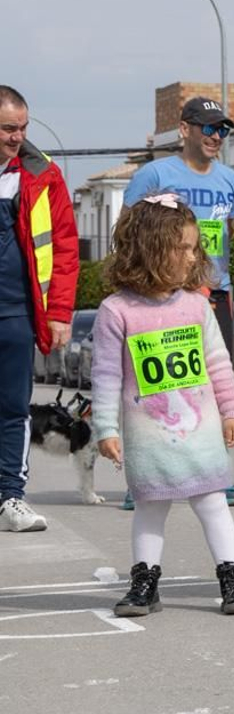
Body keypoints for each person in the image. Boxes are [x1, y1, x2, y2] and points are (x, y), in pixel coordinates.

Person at [89, 195, 234, 617]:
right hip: (148, 437)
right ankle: (144, 583)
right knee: (149, 506)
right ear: (149, 249)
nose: (192, 256)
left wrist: (231, 410)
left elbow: (218, 362)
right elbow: (106, 375)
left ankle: (233, 579)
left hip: (201, 433)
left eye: (194, 247)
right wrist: (105, 428)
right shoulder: (116, 311)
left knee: (213, 503)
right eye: (181, 248)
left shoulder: (197, 305)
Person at [122, 96, 234, 507]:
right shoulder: (155, 174)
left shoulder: (230, 180)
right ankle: (141, 479)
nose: (217, 136)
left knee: (211, 385)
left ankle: (217, 475)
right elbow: (127, 231)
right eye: (208, 128)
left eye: (222, 129)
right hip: (161, 293)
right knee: (154, 386)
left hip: (213, 292)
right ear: (184, 130)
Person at [0, 85, 80, 533]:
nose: (18, 137)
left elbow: (65, 247)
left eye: (22, 127)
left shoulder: (42, 174)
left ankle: (10, 497)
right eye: (8, 129)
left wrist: (60, 313)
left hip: (17, 312)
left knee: (14, 409)